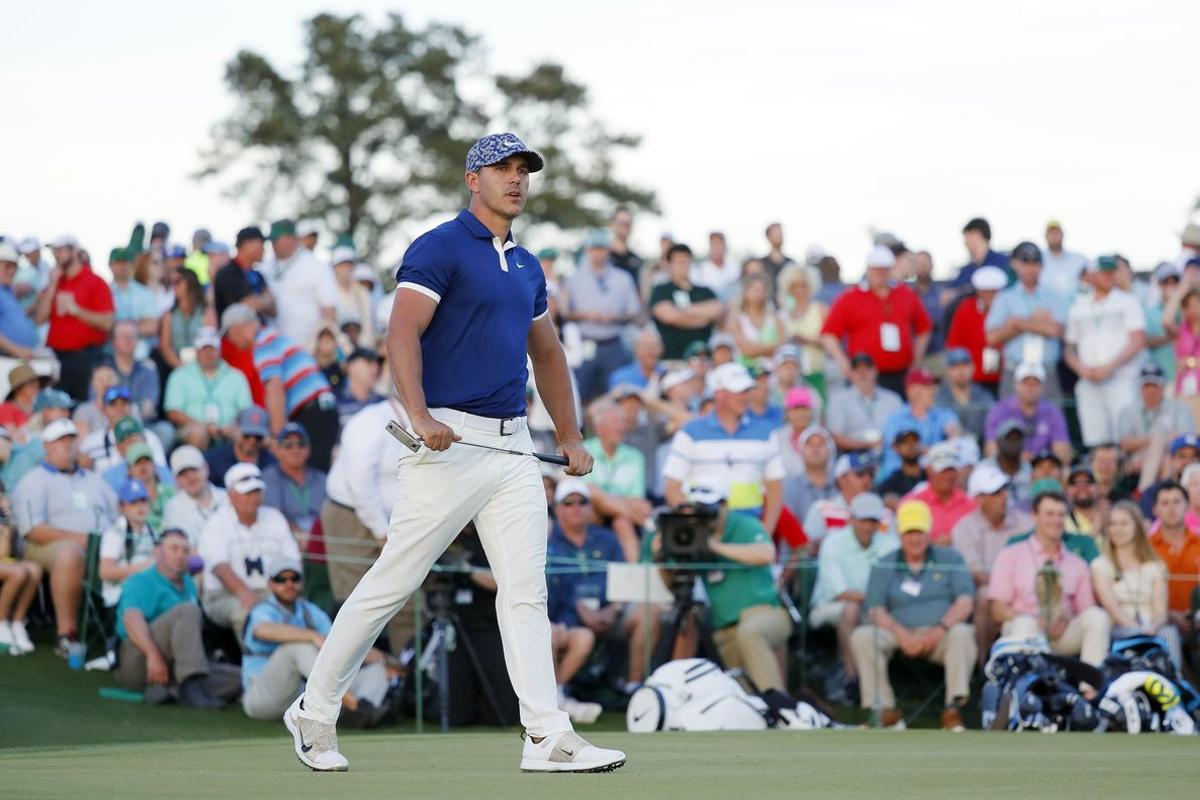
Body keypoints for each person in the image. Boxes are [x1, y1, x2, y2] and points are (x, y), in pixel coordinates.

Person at [290, 133, 623, 774]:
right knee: (395, 581)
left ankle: (546, 736)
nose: (516, 179)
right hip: (447, 441)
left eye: (524, 169)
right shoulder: (438, 247)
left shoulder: (526, 265)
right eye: (503, 168)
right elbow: (401, 332)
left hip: (513, 446)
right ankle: (315, 708)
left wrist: (571, 436)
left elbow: (547, 353)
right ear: (474, 179)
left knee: (525, 591)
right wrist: (419, 415)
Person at [852, 498, 977, 731]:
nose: (914, 538)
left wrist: (938, 631)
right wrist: (902, 635)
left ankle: (954, 709)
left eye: (919, 531)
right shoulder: (884, 563)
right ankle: (884, 710)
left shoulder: (951, 558)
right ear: (899, 534)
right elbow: (875, 609)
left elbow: (965, 601)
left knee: (962, 633)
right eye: (909, 532)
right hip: (898, 633)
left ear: (928, 532)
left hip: (941, 634)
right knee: (863, 636)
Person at [241, 555, 390, 725]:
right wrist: (312, 636)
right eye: (281, 579)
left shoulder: (309, 610)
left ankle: (361, 713)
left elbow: (340, 644)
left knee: (377, 669)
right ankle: (353, 705)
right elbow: (263, 630)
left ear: (301, 582)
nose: (288, 584)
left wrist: (386, 660)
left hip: (301, 698)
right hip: (263, 698)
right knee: (296, 648)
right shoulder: (263, 609)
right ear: (270, 584)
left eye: (294, 578)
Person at [11, 418, 117, 653]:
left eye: (71, 439)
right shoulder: (35, 479)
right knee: (70, 554)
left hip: (103, 545)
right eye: (61, 441)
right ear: (47, 446)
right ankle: (66, 633)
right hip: (46, 547)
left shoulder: (94, 479)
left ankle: (125, 635)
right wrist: (83, 540)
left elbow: (117, 514)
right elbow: (33, 530)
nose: (67, 445)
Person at [547, 479, 654, 708]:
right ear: (557, 509)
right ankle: (555, 696)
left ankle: (633, 689)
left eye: (582, 502)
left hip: (609, 613)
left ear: (590, 508)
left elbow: (625, 580)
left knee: (648, 611)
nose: (576, 507)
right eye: (568, 503)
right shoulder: (548, 542)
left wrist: (613, 609)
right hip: (566, 621)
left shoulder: (606, 539)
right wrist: (580, 610)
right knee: (569, 636)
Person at [662, 363, 785, 541]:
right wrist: (694, 524)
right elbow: (672, 487)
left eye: (747, 390)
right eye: (738, 391)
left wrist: (765, 531)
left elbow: (775, 488)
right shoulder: (690, 432)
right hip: (703, 527)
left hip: (750, 525)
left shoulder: (766, 433)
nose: (745, 397)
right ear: (719, 394)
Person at [114, 528, 235, 708]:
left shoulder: (188, 583)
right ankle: (190, 686)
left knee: (239, 678)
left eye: (185, 550)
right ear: (158, 552)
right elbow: (131, 620)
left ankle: (171, 691)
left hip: (175, 664)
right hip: (140, 659)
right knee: (188, 611)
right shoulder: (141, 581)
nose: (180, 555)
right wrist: (153, 655)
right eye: (174, 549)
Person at [987, 491, 1111, 665]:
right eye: (1049, 514)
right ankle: (1030, 689)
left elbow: (1085, 609)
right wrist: (1034, 619)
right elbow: (997, 610)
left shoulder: (1076, 563)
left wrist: (1065, 620)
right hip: (1024, 630)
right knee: (1025, 624)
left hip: (1061, 633)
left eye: (1061, 515)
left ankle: (1091, 688)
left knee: (1097, 617)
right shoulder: (1011, 555)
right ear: (1035, 516)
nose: (1056, 520)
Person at [221, 302, 340, 472]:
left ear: (240, 327)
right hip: (323, 408)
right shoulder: (274, 337)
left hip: (313, 412)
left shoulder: (263, 344)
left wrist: (279, 438)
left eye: (229, 334)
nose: (230, 340)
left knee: (309, 475)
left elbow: (275, 390)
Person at [810, 492, 899, 702]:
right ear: (851, 519)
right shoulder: (833, 542)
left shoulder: (890, 543)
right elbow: (841, 593)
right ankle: (852, 678)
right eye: (863, 520)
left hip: (873, 608)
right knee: (851, 608)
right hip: (828, 607)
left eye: (873, 521)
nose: (869, 526)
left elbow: (893, 587)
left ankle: (869, 687)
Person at [198, 463, 301, 637]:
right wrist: (244, 592)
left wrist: (283, 591)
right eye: (248, 493)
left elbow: (293, 560)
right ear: (231, 495)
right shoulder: (216, 523)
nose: (254, 498)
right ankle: (255, 661)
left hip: (274, 590)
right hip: (225, 594)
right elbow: (219, 567)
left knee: (305, 612)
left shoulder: (274, 517)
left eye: (257, 492)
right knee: (247, 613)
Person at [821, 246, 932, 396]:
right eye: (876, 270)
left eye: (884, 269)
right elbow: (828, 334)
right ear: (868, 270)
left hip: (900, 375)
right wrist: (844, 364)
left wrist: (916, 361)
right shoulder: (851, 297)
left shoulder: (905, 294)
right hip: (864, 375)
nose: (880, 274)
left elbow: (924, 329)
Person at [951, 463, 1032, 661]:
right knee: (986, 595)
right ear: (979, 499)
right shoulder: (964, 528)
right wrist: (1004, 589)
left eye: (1004, 490)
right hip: (993, 590)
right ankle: (983, 665)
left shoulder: (1025, 522)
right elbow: (975, 572)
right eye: (995, 493)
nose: (1004, 496)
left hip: (1026, 589)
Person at [1064, 256, 1146, 447]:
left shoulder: (1127, 301)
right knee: (1095, 439)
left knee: (1124, 435)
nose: (1109, 276)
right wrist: (1081, 369)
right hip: (1089, 381)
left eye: (1112, 271)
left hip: (1121, 379)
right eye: (1104, 272)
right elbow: (1069, 348)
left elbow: (1137, 340)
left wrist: (1110, 367)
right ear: (1091, 275)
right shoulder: (1078, 306)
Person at [1092, 501, 1182, 667]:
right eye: (1113, 524)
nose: (1117, 529)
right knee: (1134, 634)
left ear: (1137, 527)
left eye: (1124, 523)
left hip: (1152, 626)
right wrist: (1139, 631)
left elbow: (1161, 611)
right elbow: (1112, 607)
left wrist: (1152, 627)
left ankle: (1173, 682)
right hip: (1119, 627)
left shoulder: (1155, 566)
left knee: (1169, 632)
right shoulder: (1100, 565)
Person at [563, 228, 642, 402]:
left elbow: (634, 311)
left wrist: (616, 317)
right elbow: (564, 313)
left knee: (617, 394)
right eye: (594, 249)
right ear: (588, 251)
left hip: (613, 342)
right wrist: (585, 315)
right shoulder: (574, 279)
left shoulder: (623, 278)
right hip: (585, 343)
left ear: (608, 251)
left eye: (602, 249)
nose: (598, 253)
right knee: (579, 392)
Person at [34, 235, 115, 400]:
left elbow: (107, 323)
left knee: (82, 408)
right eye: (54, 250)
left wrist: (76, 310)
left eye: (62, 250)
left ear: (75, 251)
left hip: (85, 359)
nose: (57, 254)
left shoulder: (96, 282)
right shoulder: (54, 282)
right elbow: (39, 319)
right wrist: (52, 286)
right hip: (56, 361)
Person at [985, 241, 1066, 400]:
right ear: (1016, 265)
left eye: (1035, 263)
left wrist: (1016, 322)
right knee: (1010, 423)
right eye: (1026, 263)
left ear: (1042, 266)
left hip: (1046, 373)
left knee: (1050, 423)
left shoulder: (1054, 296)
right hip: (1014, 372)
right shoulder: (1005, 298)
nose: (1030, 269)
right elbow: (992, 337)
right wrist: (1037, 322)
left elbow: (1056, 330)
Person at [581, 402, 649, 564]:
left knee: (622, 522)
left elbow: (637, 500)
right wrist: (618, 500)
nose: (620, 428)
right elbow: (590, 494)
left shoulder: (635, 456)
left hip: (622, 514)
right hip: (591, 511)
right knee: (596, 497)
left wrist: (609, 499)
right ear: (599, 427)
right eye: (614, 423)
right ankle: (649, 524)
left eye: (622, 423)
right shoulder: (584, 450)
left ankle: (633, 574)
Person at [164, 326, 252, 450]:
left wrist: (232, 426)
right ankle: (199, 468)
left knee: (244, 435)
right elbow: (173, 411)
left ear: (219, 350)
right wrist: (202, 426)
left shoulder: (236, 376)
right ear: (196, 351)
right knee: (198, 434)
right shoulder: (180, 375)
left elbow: (246, 411)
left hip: (228, 428)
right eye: (204, 349)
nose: (208, 353)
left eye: (212, 349)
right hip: (193, 428)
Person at [262, 219, 338, 349]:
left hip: (307, 349)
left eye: (277, 239)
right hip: (272, 349)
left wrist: (323, 347)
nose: (273, 244)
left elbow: (329, 311)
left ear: (292, 238)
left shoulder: (316, 266)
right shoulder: (265, 267)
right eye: (272, 240)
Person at [983, 361, 1072, 466]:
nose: (1030, 388)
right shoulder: (999, 411)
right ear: (1016, 384)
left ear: (1043, 386)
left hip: (1042, 468)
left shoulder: (1052, 412)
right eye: (1026, 383)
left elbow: (1064, 454)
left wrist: (1039, 460)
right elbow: (991, 450)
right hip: (1008, 465)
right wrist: (1015, 457)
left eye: (1035, 383)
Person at [878, 369, 960, 482]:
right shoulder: (895, 419)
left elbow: (956, 438)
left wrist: (954, 436)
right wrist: (939, 452)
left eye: (933, 386)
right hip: (899, 477)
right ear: (912, 390)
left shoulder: (942, 414)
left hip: (933, 476)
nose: (933, 390)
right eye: (927, 386)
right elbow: (908, 448)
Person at [649, 244, 724, 361]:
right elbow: (670, 316)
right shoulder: (661, 290)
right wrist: (704, 317)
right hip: (672, 359)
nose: (683, 266)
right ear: (669, 265)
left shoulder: (705, 291)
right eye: (678, 262)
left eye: (685, 261)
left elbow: (718, 310)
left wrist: (684, 311)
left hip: (704, 360)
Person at [1147, 481, 1200, 638]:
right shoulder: (1146, 548)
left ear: (1187, 506)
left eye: (1177, 502)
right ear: (1155, 509)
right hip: (1160, 624)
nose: (1171, 508)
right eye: (1165, 503)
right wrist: (1169, 614)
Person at [1117, 363, 1193, 472]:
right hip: (1137, 458)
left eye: (1155, 386)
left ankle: (1144, 488)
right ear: (1140, 388)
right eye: (1147, 386)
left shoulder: (1179, 408)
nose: (1151, 391)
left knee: (1165, 460)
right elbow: (1125, 443)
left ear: (1163, 387)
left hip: (1170, 456)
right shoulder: (1128, 411)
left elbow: (1187, 439)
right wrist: (1156, 439)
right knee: (1158, 446)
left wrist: (1148, 443)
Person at [825, 353, 904, 454]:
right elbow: (835, 437)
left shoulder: (893, 399)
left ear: (875, 371)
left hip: (890, 452)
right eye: (857, 370)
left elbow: (902, 430)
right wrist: (868, 445)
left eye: (867, 369)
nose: (862, 373)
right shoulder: (839, 399)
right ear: (851, 373)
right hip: (853, 454)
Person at [945, 266, 1005, 395]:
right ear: (979, 292)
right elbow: (955, 343)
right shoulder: (966, 308)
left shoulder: (1007, 309)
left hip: (1003, 377)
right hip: (973, 379)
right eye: (987, 291)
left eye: (995, 292)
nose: (991, 296)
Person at [98, 477, 157, 608]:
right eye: (133, 502)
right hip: (120, 594)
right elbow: (105, 572)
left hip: (151, 589)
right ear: (122, 507)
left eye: (143, 501)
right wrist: (142, 569)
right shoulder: (114, 533)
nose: (140, 507)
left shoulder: (153, 532)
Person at [261, 423, 326, 543]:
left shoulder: (322, 478)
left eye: (301, 444)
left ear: (309, 448)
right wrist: (299, 535)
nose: (296, 450)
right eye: (288, 445)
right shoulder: (269, 477)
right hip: (284, 540)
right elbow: (273, 516)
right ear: (278, 450)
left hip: (322, 539)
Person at [903, 442, 976, 544]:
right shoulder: (912, 503)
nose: (947, 475)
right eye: (942, 470)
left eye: (951, 470)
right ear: (929, 470)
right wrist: (933, 546)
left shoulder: (970, 504)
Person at [106, 320, 164, 436]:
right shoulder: (104, 371)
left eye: (132, 336)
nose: (128, 340)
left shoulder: (148, 371)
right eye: (124, 336)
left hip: (142, 426)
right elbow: (100, 405)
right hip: (110, 426)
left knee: (165, 430)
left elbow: (149, 407)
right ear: (114, 342)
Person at [777, 264, 827, 399]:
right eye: (794, 286)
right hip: (790, 377)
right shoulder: (782, 315)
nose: (799, 290)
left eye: (803, 285)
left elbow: (830, 340)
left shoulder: (820, 310)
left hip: (816, 372)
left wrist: (807, 340)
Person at [161, 445, 228, 546]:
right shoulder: (173, 508)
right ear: (176, 479)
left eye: (193, 470)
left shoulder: (227, 497)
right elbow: (183, 549)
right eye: (183, 473)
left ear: (206, 468)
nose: (190, 477)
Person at [0, 495, 42, 655]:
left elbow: (7, 553)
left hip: (5, 561)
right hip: (5, 563)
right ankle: (1, 621)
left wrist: (5, 521)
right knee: (18, 573)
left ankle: (17, 623)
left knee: (34, 569)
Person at [213, 226, 275, 322]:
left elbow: (274, 311)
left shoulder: (257, 274)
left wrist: (260, 302)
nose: (264, 250)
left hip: (258, 333)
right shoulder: (227, 273)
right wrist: (265, 300)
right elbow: (251, 305)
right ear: (247, 244)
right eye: (261, 244)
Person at [204, 405, 277, 485]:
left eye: (258, 436)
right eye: (247, 435)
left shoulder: (271, 462)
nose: (252, 440)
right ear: (236, 429)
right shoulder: (215, 459)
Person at [157, 268, 208, 373]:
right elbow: (165, 347)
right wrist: (179, 365)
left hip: (202, 367)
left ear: (190, 282)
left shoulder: (206, 312)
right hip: (176, 368)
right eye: (171, 282)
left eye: (178, 281)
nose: (174, 286)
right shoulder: (168, 315)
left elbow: (210, 342)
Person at [727, 272, 786, 361]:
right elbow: (747, 350)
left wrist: (755, 349)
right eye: (755, 290)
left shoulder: (776, 319)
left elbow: (783, 346)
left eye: (762, 290)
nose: (759, 294)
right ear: (745, 292)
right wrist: (772, 348)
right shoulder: (737, 320)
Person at [935, 348, 991, 441]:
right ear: (948, 370)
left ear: (972, 368)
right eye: (955, 366)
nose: (961, 371)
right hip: (947, 448)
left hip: (979, 446)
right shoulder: (938, 396)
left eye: (964, 365)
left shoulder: (983, 395)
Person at [107, 247, 158, 340]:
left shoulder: (145, 292)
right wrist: (137, 324)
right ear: (110, 265)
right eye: (118, 262)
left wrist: (117, 327)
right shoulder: (104, 292)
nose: (122, 266)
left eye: (125, 262)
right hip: (110, 351)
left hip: (141, 350)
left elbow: (151, 326)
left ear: (131, 265)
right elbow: (103, 326)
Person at [332, 248, 378, 350]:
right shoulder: (328, 290)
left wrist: (363, 348)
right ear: (335, 267)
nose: (347, 268)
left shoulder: (363, 292)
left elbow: (368, 324)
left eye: (349, 264)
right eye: (343, 264)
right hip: (336, 349)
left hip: (361, 348)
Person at [950, 217, 1011, 292]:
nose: (965, 243)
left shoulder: (1004, 263)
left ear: (978, 235)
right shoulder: (967, 270)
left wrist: (964, 290)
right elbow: (950, 291)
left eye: (968, 236)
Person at [0, 242, 38, 359]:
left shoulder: (8, 291)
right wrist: (16, 350)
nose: (12, 271)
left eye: (14, 267)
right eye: (7, 266)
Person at [772, 386, 820, 477]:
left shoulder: (820, 436)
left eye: (804, 409)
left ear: (810, 411)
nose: (800, 414)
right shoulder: (777, 436)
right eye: (796, 409)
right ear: (788, 412)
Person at [334, 347, 385, 426]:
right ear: (351, 366)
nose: (376, 368)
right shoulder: (334, 401)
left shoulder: (382, 402)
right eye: (368, 362)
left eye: (377, 364)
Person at [876, 426, 925, 504]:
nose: (911, 445)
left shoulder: (931, 476)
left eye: (914, 441)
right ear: (896, 448)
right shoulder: (890, 484)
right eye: (905, 442)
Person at [1040, 220, 1088, 299]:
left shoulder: (1078, 259)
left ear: (1062, 234)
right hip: (1046, 308)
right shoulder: (1038, 260)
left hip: (1074, 308)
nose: (1054, 236)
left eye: (1057, 232)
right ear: (1045, 236)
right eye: (1051, 233)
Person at [607, 327, 665, 392]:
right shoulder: (621, 376)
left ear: (661, 349)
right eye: (646, 347)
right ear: (635, 350)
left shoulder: (668, 373)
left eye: (654, 347)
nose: (650, 352)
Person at [0, 363, 48, 434]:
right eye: (30, 382)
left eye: (36, 381)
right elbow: (13, 436)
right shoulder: (5, 408)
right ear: (18, 387)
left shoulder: (41, 406)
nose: (35, 384)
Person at [691, 231, 740, 299]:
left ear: (725, 246)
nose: (717, 248)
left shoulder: (735, 269)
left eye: (719, 244)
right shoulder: (700, 270)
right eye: (714, 244)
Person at [607, 206, 643, 287]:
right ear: (611, 225)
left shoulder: (636, 260)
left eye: (628, 224)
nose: (626, 227)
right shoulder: (603, 257)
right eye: (621, 223)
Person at [760, 222, 796, 290]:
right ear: (768, 237)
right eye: (775, 233)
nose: (779, 235)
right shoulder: (762, 264)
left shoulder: (791, 263)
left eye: (780, 233)